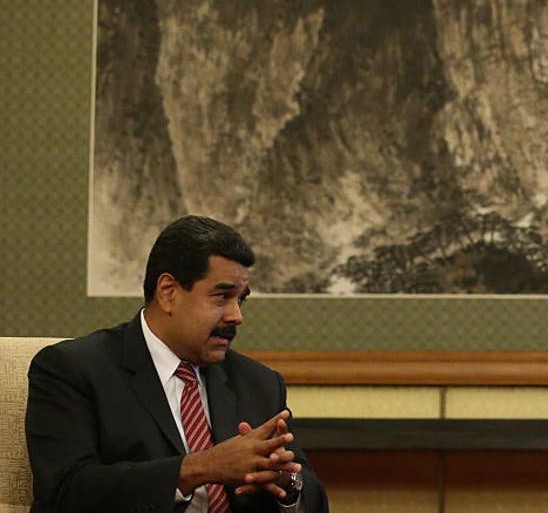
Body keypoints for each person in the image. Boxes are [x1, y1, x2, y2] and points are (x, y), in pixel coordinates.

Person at [26, 215, 329, 513]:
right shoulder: (72, 369)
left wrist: (286, 482)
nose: (237, 315)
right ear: (168, 293)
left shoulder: (259, 383)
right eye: (222, 296)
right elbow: (65, 492)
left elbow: (313, 499)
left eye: (241, 299)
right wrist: (202, 467)